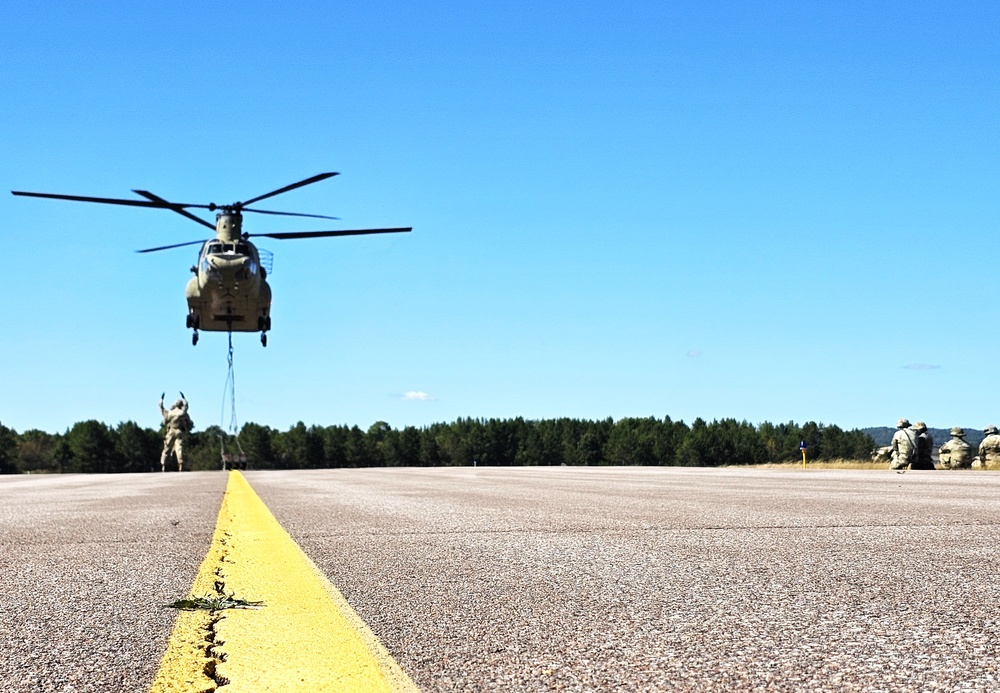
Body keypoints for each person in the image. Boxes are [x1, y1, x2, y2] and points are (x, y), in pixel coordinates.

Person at [160, 392, 192, 472]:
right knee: (179, 448)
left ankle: (164, 465)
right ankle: (181, 464)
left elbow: (162, 409)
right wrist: (184, 398)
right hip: (179, 431)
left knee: (167, 448)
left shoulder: (170, 413)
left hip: (171, 431)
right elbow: (186, 406)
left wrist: (161, 399)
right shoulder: (182, 412)